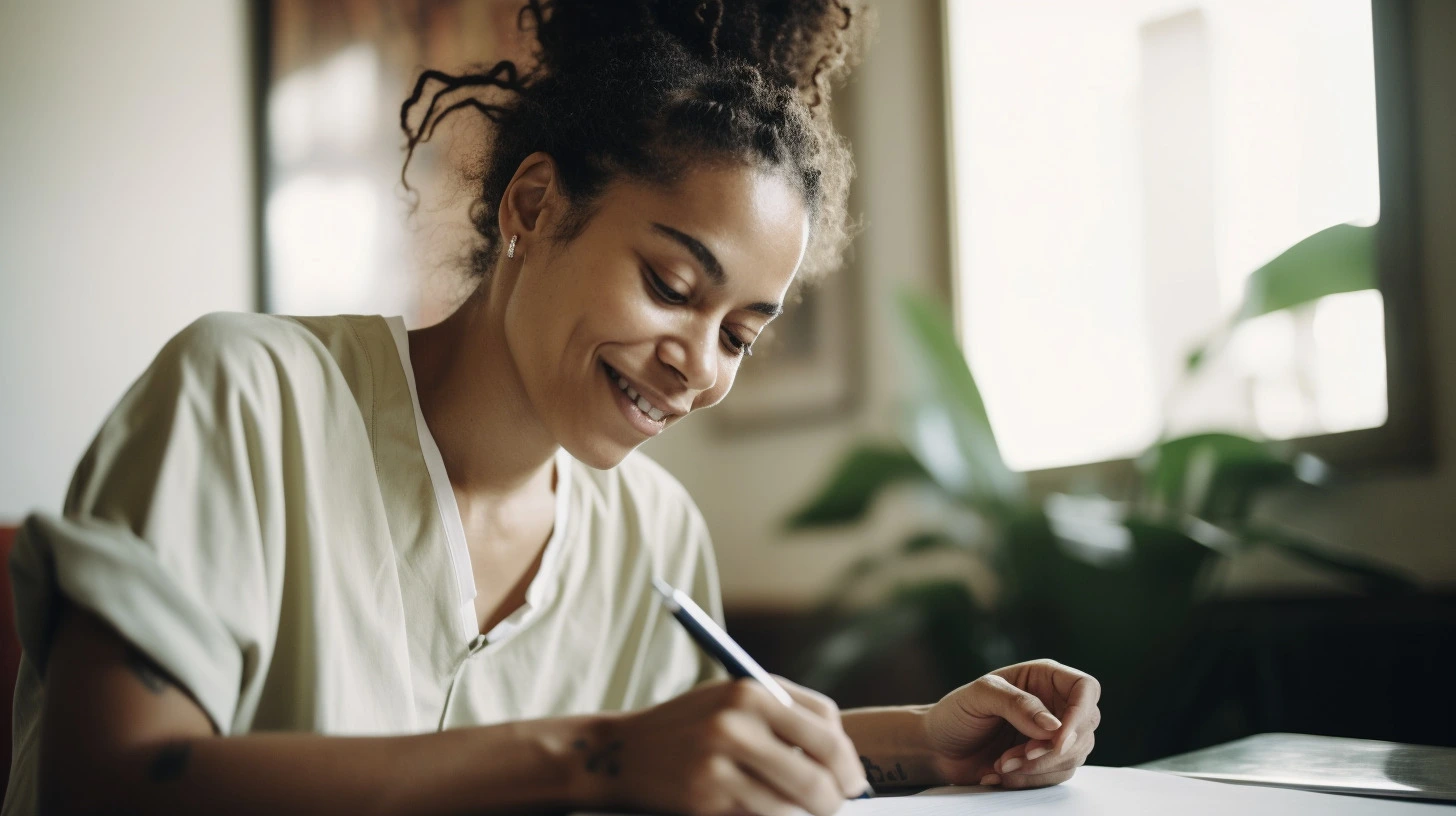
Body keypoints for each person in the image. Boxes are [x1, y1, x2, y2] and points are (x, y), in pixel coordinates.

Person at [3, 2, 1100, 814]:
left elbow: (682, 758)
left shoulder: (651, 531)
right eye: (673, 287)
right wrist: (601, 754)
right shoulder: (243, 398)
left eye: (739, 334)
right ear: (533, 204)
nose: (698, 370)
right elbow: (111, 783)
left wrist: (924, 739)